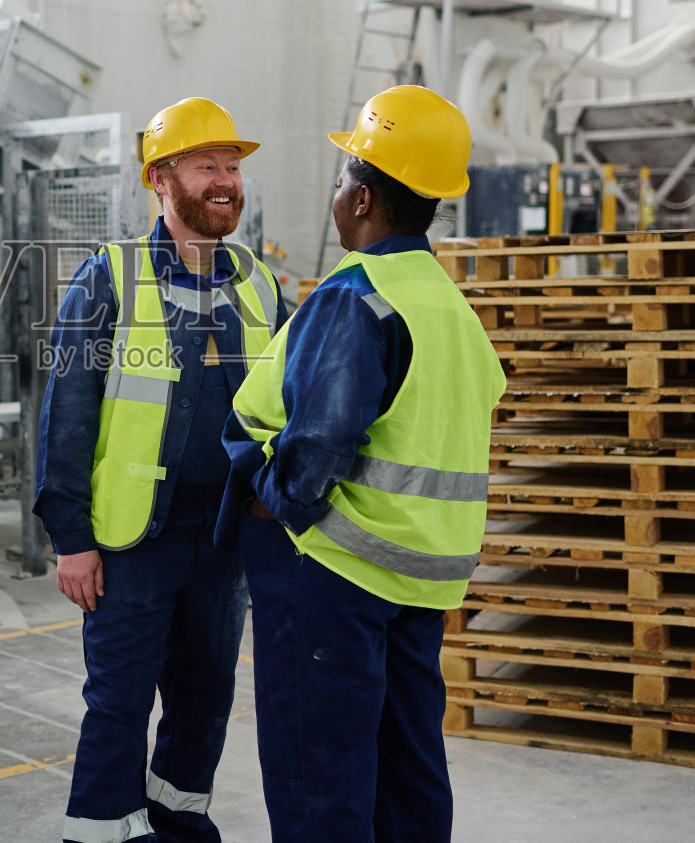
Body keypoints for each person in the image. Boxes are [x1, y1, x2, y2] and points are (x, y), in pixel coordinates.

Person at [217, 85, 506, 843]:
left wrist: (269, 501)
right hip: (424, 575)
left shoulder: (356, 296)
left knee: (321, 777)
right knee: (408, 773)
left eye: (344, 179)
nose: (337, 194)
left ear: (366, 199)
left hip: (335, 575)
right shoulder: (448, 305)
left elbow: (316, 448)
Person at [34, 96, 286, 843]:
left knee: (206, 696)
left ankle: (180, 821)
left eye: (233, 167)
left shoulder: (258, 283)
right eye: (207, 165)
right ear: (160, 179)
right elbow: (68, 414)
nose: (226, 181)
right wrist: (70, 536)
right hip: (132, 540)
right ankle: (104, 831)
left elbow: (282, 404)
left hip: (223, 537)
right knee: (120, 699)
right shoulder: (109, 277)